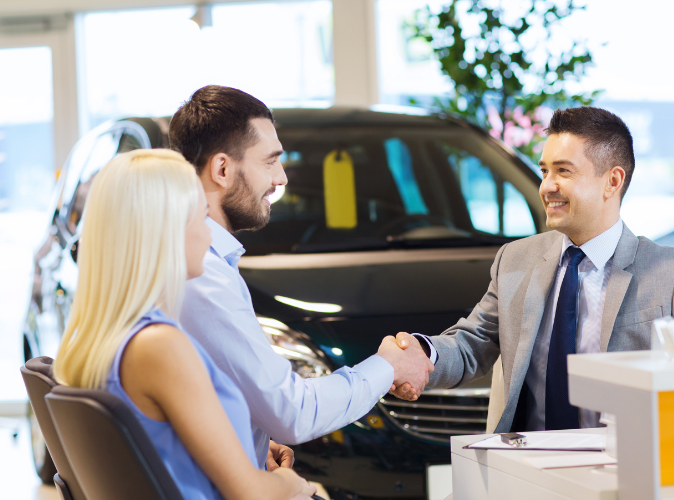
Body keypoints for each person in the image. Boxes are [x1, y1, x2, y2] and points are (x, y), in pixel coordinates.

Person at [392, 106, 674, 433]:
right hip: (529, 466)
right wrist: (422, 354)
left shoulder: (673, 274)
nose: (546, 187)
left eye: (563, 171)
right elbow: (472, 343)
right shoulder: (515, 260)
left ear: (612, 181)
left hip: (621, 468)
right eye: (544, 171)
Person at [169, 85, 433, 470]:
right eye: (270, 161)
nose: (282, 178)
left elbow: (203, 394)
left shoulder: (208, 262)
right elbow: (292, 412)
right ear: (222, 169)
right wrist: (388, 365)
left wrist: (248, 440)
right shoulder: (203, 275)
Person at [53, 149, 316, 500]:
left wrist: (231, 449)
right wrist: (297, 485)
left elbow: (154, 445)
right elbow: (251, 493)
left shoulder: (108, 338)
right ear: (166, 231)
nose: (209, 235)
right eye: (202, 216)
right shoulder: (159, 346)